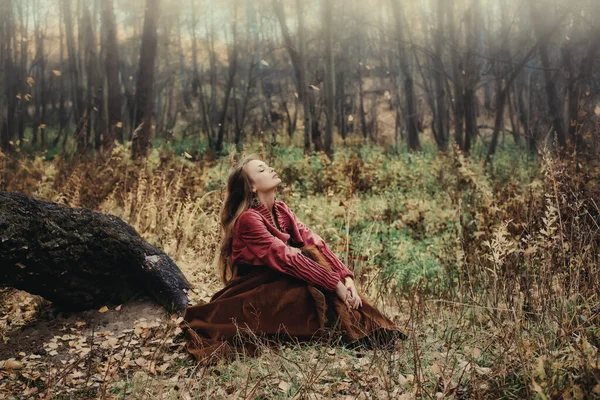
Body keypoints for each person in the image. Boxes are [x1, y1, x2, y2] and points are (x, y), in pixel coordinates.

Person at [180, 155, 405, 364]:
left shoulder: (281, 210)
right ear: (252, 186)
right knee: (309, 290)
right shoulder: (248, 220)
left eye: (268, 166)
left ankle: (366, 329)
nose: (272, 169)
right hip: (256, 290)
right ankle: (353, 331)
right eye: (262, 169)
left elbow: (315, 243)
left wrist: (346, 279)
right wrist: (334, 284)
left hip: (281, 281)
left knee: (311, 256)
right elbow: (286, 258)